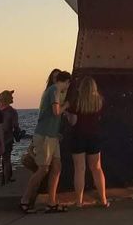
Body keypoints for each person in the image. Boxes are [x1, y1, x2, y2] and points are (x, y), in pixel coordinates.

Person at [20, 70, 72, 213]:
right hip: (45, 136)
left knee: (57, 167)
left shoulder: (53, 91)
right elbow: (56, 111)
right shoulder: (54, 90)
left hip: (52, 136)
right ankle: (25, 200)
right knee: (43, 169)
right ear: (67, 82)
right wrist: (66, 106)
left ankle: (52, 202)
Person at [68, 76, 110, 207]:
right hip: (94, 136)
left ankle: (79, 201)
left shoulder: (76, 102)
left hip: (78, 136)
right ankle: (103, 199)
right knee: (97, 168)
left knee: (79, 169)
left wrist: (67, 115)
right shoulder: (99, 101)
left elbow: (73, 122)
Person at [0, 90, 20, 185]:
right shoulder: (12, 112)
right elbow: (15, 125)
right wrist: (18, 133)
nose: (13, 98)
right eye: (11, 96)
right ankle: (6, 180)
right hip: (7, 138)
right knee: (6, 160)